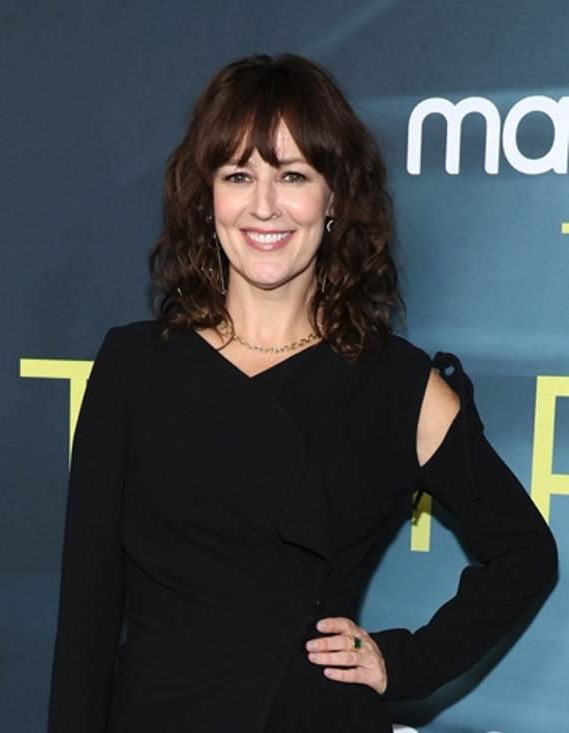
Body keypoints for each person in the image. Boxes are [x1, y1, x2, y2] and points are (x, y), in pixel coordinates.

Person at [47, 53, 558, 733]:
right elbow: (86, 616)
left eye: (292, 175)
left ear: (335, 196)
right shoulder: (134, 367)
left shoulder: (397, 384)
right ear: (207, 197)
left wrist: (404, 662)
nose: (264, 205)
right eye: (238, 175)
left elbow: (525, 553)